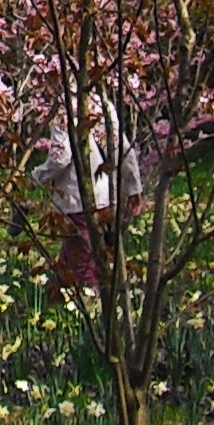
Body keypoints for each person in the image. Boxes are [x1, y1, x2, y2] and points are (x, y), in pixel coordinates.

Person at [30, 93, 145, 299]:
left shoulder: (66, 109)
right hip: (102, 197)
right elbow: (119, 146)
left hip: (76, 200)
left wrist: (36, 177)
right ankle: (53, 314)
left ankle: (88, 314)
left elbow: (61, 158)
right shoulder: (100, 103)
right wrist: (133, 186)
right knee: (69, 265)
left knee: (85, 268)